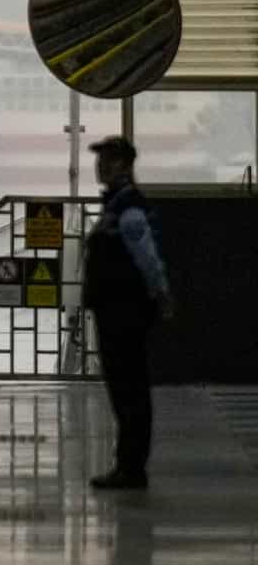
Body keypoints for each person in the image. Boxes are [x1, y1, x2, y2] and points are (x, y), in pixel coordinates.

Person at [84, 135, 173, 490]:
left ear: (123, 164)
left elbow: (146, 256)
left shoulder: (129, 207)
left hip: (124, 310)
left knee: (129, 389)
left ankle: (131, 468)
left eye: (106, 160)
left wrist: (161, 293)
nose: (99, 166)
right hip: (116, 309)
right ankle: (128, 465)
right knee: (124, 389)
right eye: (99, 160)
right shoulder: (118, 204)